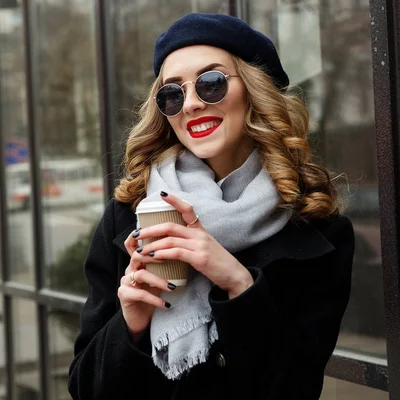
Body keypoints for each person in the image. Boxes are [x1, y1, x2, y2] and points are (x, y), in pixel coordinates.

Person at [68, 12, 354, 400]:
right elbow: (86, 390)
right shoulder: (128, 215)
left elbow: (294, 388)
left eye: (211, 84)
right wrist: (131, 325)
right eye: (172, 93)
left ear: (255, 92)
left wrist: (237, 283)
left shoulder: (318, 228)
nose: (191, 105)